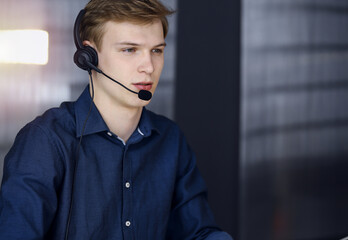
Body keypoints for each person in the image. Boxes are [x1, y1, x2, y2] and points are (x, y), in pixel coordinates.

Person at [0, 0, 233, 239]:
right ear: (88, 57)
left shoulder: (170, 139)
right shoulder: (45, 141)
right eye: (129, 50)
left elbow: (198, 233)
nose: (149, 67)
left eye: (157, 50)